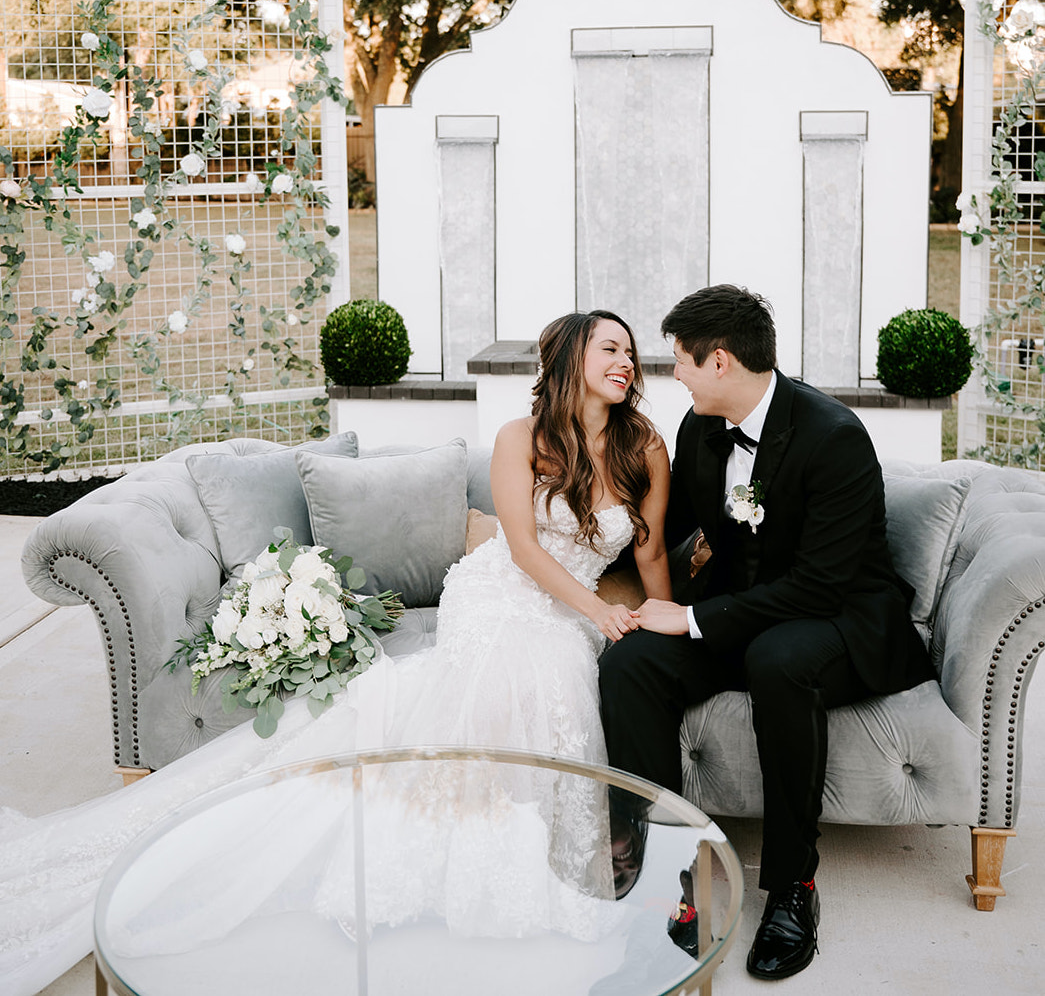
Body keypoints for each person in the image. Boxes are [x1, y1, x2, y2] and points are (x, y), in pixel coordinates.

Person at [0, 309, 672, 995]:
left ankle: (525, 862)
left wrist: (663, 620)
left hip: (574, 607)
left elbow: (648, 553)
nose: (626, 361)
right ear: (567, 363)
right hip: (501, 589)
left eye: (630, 349)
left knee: (558, 671)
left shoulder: (644, 446)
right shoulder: (519, 438)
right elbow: (524, 550)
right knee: (520, 675)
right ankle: (447, 853)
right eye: (608, 348)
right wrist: (599, 611)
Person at [599, 284, 934, 981]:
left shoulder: (832, 434)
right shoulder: (699, 428)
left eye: (679, 361)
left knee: (778, 659)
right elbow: (664, 527)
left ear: (718, 360)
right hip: (742, 610)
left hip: (838, 617)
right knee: (630, 662)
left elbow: (821, 584)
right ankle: (668, 885)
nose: (674, 375)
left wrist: (691, 617)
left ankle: (791, 887)